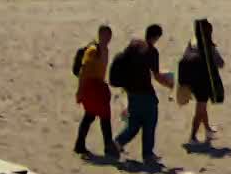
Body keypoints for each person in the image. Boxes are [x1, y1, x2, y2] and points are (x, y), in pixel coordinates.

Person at [113, 25, 173, 165]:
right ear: (156, 37)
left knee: (134, 123)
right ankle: (147, 154)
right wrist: (170, 84)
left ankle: (118, 142)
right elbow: (157, 76)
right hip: (145, 92)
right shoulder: (152, 52)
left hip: (131, 91)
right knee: (149, 122)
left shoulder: (134, 46)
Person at [72, 25, 116, 158]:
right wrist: (80, 91)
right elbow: (83, 72)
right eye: (105, 35)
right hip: (91, 87)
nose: (107, 38)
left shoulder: (105, 50)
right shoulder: (92, 51)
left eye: (109, 36)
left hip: (99, 87)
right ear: (100, 35)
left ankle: (80, 145)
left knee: (91, 116)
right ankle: (107, 147)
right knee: (100, 116)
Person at [178, 21, 223, 146]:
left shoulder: (192, 41)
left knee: (201, 105)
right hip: (202, 80)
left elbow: (185, 57)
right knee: (201, 107)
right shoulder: (208, 46)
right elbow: (220, 63)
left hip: (188, 78)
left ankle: (207, 130)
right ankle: (192, 137)